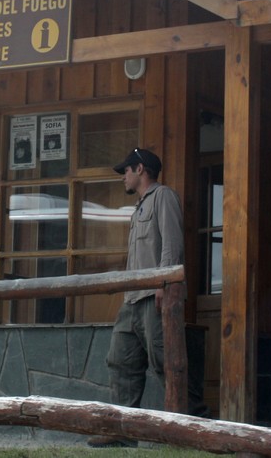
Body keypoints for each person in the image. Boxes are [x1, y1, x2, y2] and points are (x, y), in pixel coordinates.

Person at [87, 147, 202, 449]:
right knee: (120, 361)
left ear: (140, 169)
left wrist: (163, 283)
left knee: (166, 361)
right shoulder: (138, 207)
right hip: (133, 299)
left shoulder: (163, 197)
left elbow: (172, 243)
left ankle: (198, 429)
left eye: (126, 170)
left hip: (156, 295)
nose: (123, 176)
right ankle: (123, 430)